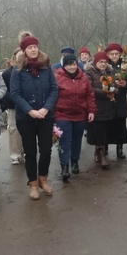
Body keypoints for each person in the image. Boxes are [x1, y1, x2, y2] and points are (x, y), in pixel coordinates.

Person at [10, 34, 59, 200]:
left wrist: (46, 109)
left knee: (46, 149)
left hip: (46, 116)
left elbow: (54, 90)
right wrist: (30, 111)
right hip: (26, 118)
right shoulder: (18, 71)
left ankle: (43, 178)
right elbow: (15, 94)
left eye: (35, 46)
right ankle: (32, 183)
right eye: (29, 47)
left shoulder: (46, 68)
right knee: (30, 152)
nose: (33, 49)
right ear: (24, 51)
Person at [54, 54, 96, 182]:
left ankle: (74, 162)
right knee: (65, 141)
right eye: (69, 64)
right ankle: (64, 167)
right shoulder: (57, 77)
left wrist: (91, 110)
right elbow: (52, 95)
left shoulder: (83, 77)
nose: (72, 67)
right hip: (62, 114)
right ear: (64, 66)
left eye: (74, 64)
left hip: (80, 115)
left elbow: (89, 94)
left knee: (77, 140)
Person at [84, 51, 117, 169]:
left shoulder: (110, 71)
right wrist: (104, 92)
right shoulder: (89, 72)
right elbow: (89, 88)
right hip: (96, 105)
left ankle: (100, 151)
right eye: (100, 62)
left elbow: (114, 85)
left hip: (108, 106)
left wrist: (113, 90)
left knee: (105, 130)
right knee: (98, 130)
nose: (103, 64)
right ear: (95, 62)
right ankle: (101, 153)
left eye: (104, 62)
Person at [105, 43, 127, 159]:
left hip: (120, 100)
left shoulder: (125, 65)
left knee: (120, 125)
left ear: (120, 54)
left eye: (116, 54)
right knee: (107, 124)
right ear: (108, 55)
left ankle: (119, 148)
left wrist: (125, 84)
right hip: (107, 100)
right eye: (112, 54)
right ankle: (105, 147)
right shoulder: (104, 64)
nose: (114, 56)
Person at [1, 48, 23, 165]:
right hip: (13, 105)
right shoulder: (7, 73)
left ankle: (27, 150)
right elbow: (4, 90)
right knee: (13, 129)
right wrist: (15, 99)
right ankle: (15, 154)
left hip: (28, 105)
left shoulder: (29, 70)